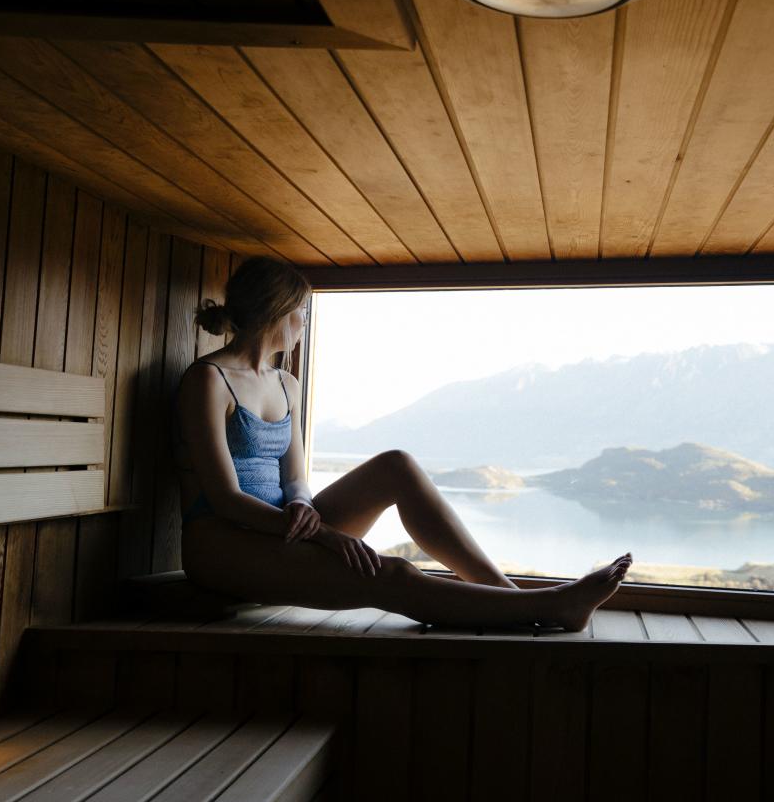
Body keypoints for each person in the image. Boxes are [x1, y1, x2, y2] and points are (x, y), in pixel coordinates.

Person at [174, 256, 631, 631]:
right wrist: (326, 536)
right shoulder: (208, 381)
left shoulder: (286, 384)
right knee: (388, 573)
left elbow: (294, 478)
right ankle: (548, 607)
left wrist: (301, 505)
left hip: (287, 530)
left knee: (396, 465)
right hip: (223, 545)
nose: (305, 323)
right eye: (303, 313)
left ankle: (509, 598)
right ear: (280, 312)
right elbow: (225, 499)